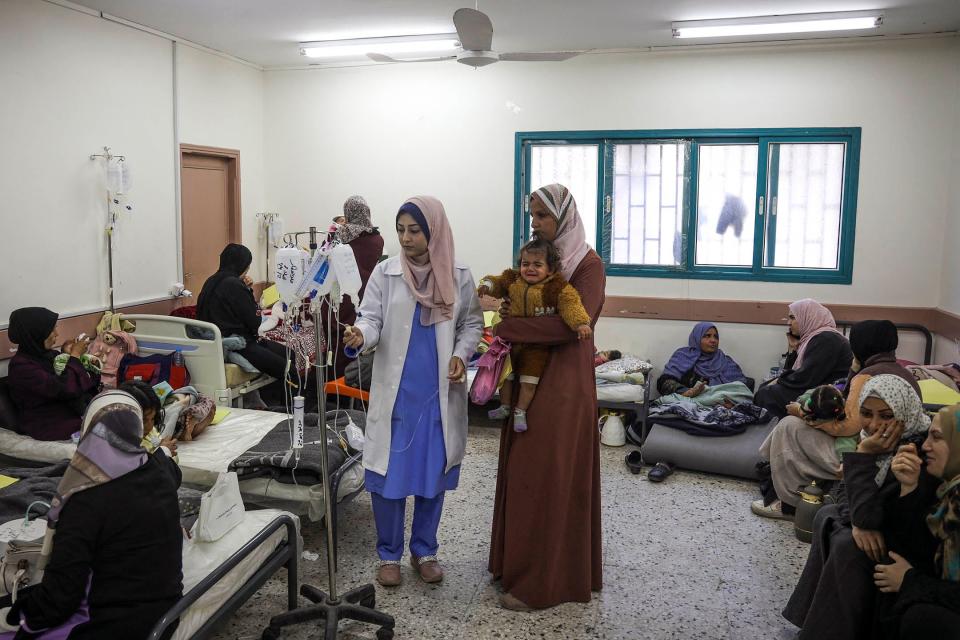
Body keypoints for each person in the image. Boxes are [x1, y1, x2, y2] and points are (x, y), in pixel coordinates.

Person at [343, 196, 482, 588]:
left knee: (430, 476)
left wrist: (460, 354)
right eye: (401, 229)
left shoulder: (457, 275)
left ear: (433, 230)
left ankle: (425, 549)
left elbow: (472, 324)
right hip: (397, 395)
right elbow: (370, 318)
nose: (405, 238)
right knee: (388, 478)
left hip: (438, 396)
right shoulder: (386, 273)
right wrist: (361, 334)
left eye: (414, 230)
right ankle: (388, 553)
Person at [488, 183, 605, 610]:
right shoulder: (535, 263)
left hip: (564, 384)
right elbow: (514, 303)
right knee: (523, 472)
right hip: (526, 377)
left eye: (542, 216)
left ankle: (543, 584)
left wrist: (508, 328)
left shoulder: (587, 265)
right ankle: (515, 566)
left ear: (564, 217)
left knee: (548, 476)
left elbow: (569, 325)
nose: (535, 223)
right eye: (532, 216)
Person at [2, 390, 183, 639]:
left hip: (119, 624)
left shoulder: (84, 499)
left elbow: (61, 598)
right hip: (167, 606)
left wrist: (21, 617)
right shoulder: (159, 471)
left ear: (88, 428)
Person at [782, 375, 930, 639]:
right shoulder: (873, 442)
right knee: (827, 514)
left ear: (904, 412)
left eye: (886, 415)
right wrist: (859, 520)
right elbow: (844, 495)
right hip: (877, 521)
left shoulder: (915, 451)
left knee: (845, 541)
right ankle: (812, 620)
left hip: (906, 541)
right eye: (866, 414)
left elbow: (872, 517)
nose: (874, 425)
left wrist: (861, 456)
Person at [754, 320, 919, 519]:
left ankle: (790, 504)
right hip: (898, 452)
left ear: (860, 345)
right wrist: (854, 368)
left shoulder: (867, 376)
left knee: (789, 427)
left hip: (865, 456)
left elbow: (848, 426)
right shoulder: (902, 372)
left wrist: (801, 413)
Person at [478, 238, 593, 431]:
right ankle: (505, 406)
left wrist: (580, 323)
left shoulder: (556, 287)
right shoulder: (513, 279)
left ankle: (520, 411)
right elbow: (496, 282)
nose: (530, 269)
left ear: (550, 269)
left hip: (536, 346)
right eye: (525, 264)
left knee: (529, 382)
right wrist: (487, 285)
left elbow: (570, 304)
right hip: (510, 344)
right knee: (506, 377)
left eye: (537, 265)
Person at [872, 404, 960, 639]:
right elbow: (908, 549)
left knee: (924, 618)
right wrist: (908, 488)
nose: (925, 446)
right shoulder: (948, 493)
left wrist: (911, 581)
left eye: (937, 437)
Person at [197, 244, 295, 393]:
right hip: (238, 344)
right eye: (247, 267)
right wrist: (248, 291)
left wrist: (245, 289)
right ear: (243, 265)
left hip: (214, 341)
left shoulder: (210, 281)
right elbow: (255, 322)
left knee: (289, 353)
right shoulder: (234, 285)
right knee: (289, 369)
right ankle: (287, 409)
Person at [7, 307, 100, 441]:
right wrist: (74, 355)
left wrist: (68, 355)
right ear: (37, 333)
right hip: (48, 424)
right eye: (51, 330)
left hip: (69, 414)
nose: (56, 334)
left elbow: (78, 378)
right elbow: (64, 389)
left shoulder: (49, 355)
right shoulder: (21, 367)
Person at [754, 299, 853, 419]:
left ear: (808, 317)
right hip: (817, 387)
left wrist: (779, 380)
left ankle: (773, 431)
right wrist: (793, 350)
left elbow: (805, 378)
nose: (788, 323)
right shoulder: (813, 339)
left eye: (793, 317)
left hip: (827, 396)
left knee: (767, 393)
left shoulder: (826, 339)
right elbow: (794, 372)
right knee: (766, 387)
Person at [327, 195, 385, 379]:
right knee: (357, 336)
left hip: (338, 294)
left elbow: (324, 255)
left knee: (336, 340)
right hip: (365, 293)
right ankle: (353, 383)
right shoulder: (377, 239)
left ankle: (333, 386)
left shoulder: (339, 236)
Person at [657, 322, 748, 398]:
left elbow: (742, 388)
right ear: (697, 338)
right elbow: (665, 382)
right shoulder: (683, 355)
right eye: (707, 336)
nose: (713, 340)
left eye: (716, 337)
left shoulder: (726, 362)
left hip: (718, 406)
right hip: (686, 402)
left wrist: (730, 401)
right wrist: (688, 392)